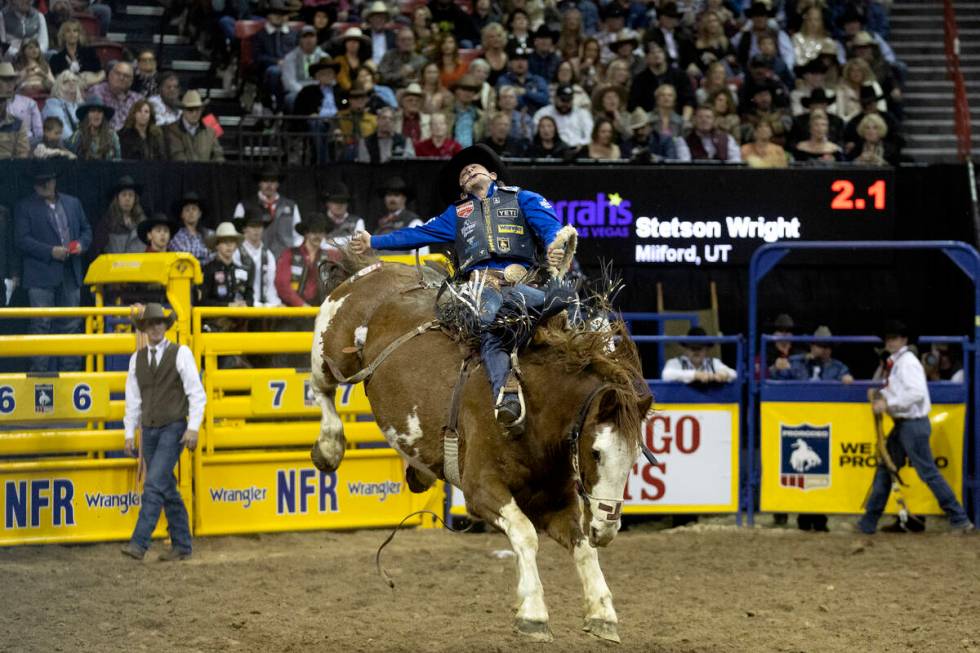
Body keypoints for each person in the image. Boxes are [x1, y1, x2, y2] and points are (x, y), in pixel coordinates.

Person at [349, 144, 571, 430]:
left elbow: (551, 229)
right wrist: (374, 242)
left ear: (493, 174)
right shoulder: (456, 214)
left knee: (538, 306)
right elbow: (417, 234)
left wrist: (556, 247)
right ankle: (507, 394)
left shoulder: (523, 198)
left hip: (522, 281)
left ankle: (539, 308)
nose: (467, 170)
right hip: (480, 288)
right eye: (463, 173)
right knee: (489, 321)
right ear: (462, 189)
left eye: (474, 167)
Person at [858, 320, 975, 535]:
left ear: (903, 340)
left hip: (912, 425)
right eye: (888, 338)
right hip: (906, 425)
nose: (890, 342)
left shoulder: (907, 363)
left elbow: (916, 394)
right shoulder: (899, 363)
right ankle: (867, 523)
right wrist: (881, 394)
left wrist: (887, 403)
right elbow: (904, 392)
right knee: (887, 468)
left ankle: (960, 519)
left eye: (894, 338)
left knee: (927, 472)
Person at [120, 303, 205, 562]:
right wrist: (128, 432)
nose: (156, 327)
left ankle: (139, 542)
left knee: (154, 483)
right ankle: (182, 545)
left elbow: (196, 394)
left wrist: (192, 428)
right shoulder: (138, 359)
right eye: (151, 323)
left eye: (159, 323)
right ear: (145, 328)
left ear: (165, 327)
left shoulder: (181, 353)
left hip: (173, 427)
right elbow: (132, 400)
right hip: (150, 428)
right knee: (166, 487)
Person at [13, 170, 92, 372]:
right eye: (38, 183)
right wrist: (50, 251)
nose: (41, 186)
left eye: (45, 182)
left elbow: (86, 230)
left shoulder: (73, 203)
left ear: (53, 182)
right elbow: (21, 240)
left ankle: (70, 375)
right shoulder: (24, 206)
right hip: (40, 274)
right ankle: (39, 377)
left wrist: (81, 245)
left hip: (70, 272)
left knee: (72, 325)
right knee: (41, 324)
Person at [232, 165, 302, 259]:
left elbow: (298, 235)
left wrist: (294, 254)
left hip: (285, 259)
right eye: (265, 181)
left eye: (273, 181)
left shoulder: (291, 206)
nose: (269, 185)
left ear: (278, 184)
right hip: (255, 258)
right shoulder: (244, 206)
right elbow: (236, 235)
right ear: (259, 183)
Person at [275, 213, 337, 308]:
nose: (318, 236)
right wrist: (301, 305)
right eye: (314, 231)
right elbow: (282, 284)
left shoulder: (331, 256)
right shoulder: (289, 254)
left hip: (321, 311)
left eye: (321, 232)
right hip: (293, 312)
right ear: (306, 233)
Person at [252, 0, 300, 110]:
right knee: (275, 71)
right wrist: (276, 62)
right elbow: (257, 57)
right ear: (268, 16)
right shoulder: (260, 35)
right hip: (268, 71)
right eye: (276, 13)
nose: (279, 17)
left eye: (282, 14)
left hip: (292, 68)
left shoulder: (294, 34)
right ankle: (278, 105)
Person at [233, 210, 282, 308]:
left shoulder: (268, 255)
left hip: (263, 307)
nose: (256, 230)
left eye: (259, 226)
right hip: (242, 307)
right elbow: (235, 286)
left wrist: (276, 303)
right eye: (252, 226)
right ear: (244, 229)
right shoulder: (236, 253)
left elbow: (270, 286)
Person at [198, 222, 254, 308]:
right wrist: (228, 305)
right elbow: (203, 302)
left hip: (241, 317)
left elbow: (250, 299)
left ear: (236, 245)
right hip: (216, 319)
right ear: (217, 245)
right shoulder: (207, 270)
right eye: (224, 241)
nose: (229, 245)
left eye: (232, 241)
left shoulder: (243, 271)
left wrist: (245, 303)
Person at [771, 326, 853, 383]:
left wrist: (847, 379)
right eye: (820, 345)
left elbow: (847, 379)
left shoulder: (838, 367)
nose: (824, 349)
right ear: (812, 346)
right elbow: (778, 377)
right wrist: (777, 368)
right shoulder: (795, 362)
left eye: (828, 346)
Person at [90, 175, 147, 258]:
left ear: (135, 199)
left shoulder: (143, 222)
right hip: (115, 268)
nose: (127, 199)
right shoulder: (107, 222)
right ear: (117, 199)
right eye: (124, 195)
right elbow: (96, 250)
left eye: (131, 195)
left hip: (138, 268)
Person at [163, 91, 225, 162]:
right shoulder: (172, 129)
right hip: (182, 172)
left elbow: (218, 155)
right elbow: (178, 156)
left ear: (202, 110)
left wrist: (214, 169)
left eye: (198, 109)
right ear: (183, 110)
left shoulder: (210, 129)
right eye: (190, 109)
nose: (194, 113)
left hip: (207, 172)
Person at [662, 327, 737, 383]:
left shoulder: (713, 362)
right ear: (686, 349)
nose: (696, 351)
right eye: (692, 348)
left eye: (700, 348)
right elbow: (666, 375)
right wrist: (695, 375)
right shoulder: (675, 362)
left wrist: (724, 374)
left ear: (707, 349)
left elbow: (734, 373)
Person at [532, 83, 592, 148]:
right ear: (555, 98)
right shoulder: (543, 113)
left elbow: (590, 136)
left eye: (568, 100)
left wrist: (581, 144)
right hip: (552, 150)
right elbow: (535, 135)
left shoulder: (582, 113)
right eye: (563, 100)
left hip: (577, 149)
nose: (565, 104)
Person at [495, 43, 549, 114]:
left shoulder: (537, 80)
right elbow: (507, 102)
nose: (520, 63)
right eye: (516, 59)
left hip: (536, 119)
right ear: (510, 63)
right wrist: (534, 97)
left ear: (528, 62)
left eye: (523, 59)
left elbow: (544, 100)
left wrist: (526, 92)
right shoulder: (503, 80)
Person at [282, 25, 326, 111]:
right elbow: (289, 82)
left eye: (312, 36)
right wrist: (305, 93)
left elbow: (329, 80)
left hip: (319, 91)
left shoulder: (324, 57)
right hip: (298, 91)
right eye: (305, 37)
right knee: (290, 98)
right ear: (300, 40)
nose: (309, 40)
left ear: (316, 39)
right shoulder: (290, 57)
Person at [87, 61, 141, 132]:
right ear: (110, 75)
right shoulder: (97, 91)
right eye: (118, 73)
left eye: (126, 76)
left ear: (131, 81)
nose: (121, 78)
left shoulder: (137, 99)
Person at [0, 61, 42, 143]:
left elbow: (39, 133)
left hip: (28, 143)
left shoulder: (30, 103)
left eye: (12, 80)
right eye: (5, 80)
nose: (9, 84)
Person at [168, 191, 213, 266]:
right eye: (187, 210)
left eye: (194, 209)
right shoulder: (176, 236)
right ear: (182, 215)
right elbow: (183, 255)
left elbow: (216, 254)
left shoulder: (210, 234)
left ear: (199, 214)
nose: (191, 212)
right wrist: (206, 255)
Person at [67, 96, 119, 160]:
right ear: (86, 115)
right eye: (93, 111)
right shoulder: (78, 135)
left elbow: (118, 160)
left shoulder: (112, 136)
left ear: (103, 116)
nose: (96, 114)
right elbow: (70, 159)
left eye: (100, 111)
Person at [42, 71, 84, 141]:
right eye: (66, 81)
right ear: (57, 86)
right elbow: (65, 135)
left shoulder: (81, 104)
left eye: (74, 80)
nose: (71, 83)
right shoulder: (52, 105)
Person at [321, 182, 365, 246]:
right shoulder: (320, 222)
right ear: (327, 203)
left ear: (347, 204)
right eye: (335, 201)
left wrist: (330, 242)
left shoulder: (357, 221)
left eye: (343, 201)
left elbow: (358, 244)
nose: (339, 205)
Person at [0, 85, 30, 160]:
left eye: (1, 101)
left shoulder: (18, 124)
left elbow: (23, 154)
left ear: (7, 102)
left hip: (10, 168)